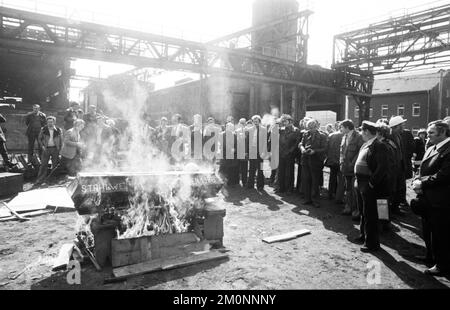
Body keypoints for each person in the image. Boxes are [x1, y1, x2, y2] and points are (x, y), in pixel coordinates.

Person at [413, 121, 450, 276]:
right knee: (428, 229)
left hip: (441, 200)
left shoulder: (448, 150)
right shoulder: (431, 147)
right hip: (427, 197)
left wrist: (422, 182)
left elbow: (444, 175)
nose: (427, 135)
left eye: (431, 133)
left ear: (442, 133)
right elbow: (423, 168)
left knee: (440, 234)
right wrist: (418, 179)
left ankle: (442, 265)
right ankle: (430, 256)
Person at [354, 121, 390, 253]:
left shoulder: (379, 145)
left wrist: (371, 183)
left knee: (371, 214)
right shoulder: (366, 144)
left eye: (362, 131)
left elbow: (382, 167)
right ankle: (363, 236)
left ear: (367, 132)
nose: (360, 134)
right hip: (361, 183)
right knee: (363, 212)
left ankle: (372, 243)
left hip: (370, 185)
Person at [299, 118, 327, 207]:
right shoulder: (305, 134)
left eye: (312, 127)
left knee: (315, 181)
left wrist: (314, 151)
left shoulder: (322, 136)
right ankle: (307, 199)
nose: (310, 129)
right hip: (305, 160)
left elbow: (325, 148)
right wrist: (303, 149)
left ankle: (315, 200)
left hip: (316, 161)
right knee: (306, 179)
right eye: (309, 128)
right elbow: (301, 144)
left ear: (316, 127)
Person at [339, 119, 364, 220]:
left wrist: (352, 163)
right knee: (348, 188)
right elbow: (341, 151)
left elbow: (361, 151)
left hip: (354, 168)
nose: (340, 129)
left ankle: (356, 210)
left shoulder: (358, 137)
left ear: (347, 127)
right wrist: (341, 163)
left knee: (355, 190)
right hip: (346, 168)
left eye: (341, 127)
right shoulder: (344, 137)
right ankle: (348, 207)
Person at [389, 115, 411, 215]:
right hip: (392, 168)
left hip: (400, 167)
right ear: (397, 126)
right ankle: (390, 210)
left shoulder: (399, 136)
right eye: (402, 125)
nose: (404, 126)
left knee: (399, 188)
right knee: (392, 189)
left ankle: (395, 208)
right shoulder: (389, 136)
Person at [276, 114, 300, 194]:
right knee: (281, 171)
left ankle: (289, 189)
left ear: (290, 121)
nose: (284, 123)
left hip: (290, 154)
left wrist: (290, 151)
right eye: (283, 121)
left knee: (289, 172)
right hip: (281, 153)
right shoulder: (281, 129)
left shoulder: (296, 130)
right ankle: (280, 187)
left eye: (285, 121)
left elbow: (296, 143)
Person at [36, 116, 63, 183]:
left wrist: (60, 150)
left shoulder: (58, 130)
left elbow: (61, 141)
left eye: (51, 122)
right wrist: (42, 146)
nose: (50, 123)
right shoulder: (43, 129)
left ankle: (52, 179)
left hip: (55, 149)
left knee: (55, 165)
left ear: (54, 122)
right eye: (48, 122)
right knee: (43, 165)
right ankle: (40, 179)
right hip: (46, 149)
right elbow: (39, 139)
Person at [247, 115, 266, 190]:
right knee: (251, 169)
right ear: (252, 122)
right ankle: (250, 185)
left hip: (260, 153)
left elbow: (265, 142)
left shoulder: (264, 129)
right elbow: (248, 141)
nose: (255, 123)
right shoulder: (249, 129)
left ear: (259, 121)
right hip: (252, 152)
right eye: (254, 121)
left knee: (260, 169)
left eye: (257, 121)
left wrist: (264, 152)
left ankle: (260, 185)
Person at [325, 122, 344, 200]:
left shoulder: (331, 135)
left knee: (332, 177)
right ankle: (338, 195)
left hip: (332, 160)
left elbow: (327, 148)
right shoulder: (344, 136)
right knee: (340, 179)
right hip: (340, 160)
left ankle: (330, 193)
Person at [235, 118, 248, 186]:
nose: (242, 124)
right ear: (239, 123)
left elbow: (247, 143)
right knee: (237, 168)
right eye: (241, 123)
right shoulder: (236, 131)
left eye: (243, 123)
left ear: (245, 123)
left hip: (244, 153)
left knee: (244, 168)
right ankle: (237, 181)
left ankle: (244, 181)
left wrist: (246, 151)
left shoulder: (247, 131)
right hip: (237, 152)